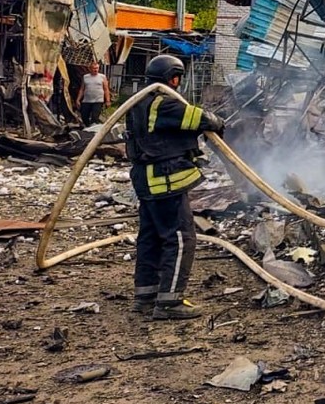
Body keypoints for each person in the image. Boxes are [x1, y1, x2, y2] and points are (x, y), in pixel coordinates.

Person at [126, 54, 225, 320]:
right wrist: (217, 121)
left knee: (150, 238)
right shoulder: (163, 103)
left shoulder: (138, 102)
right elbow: (201, 119)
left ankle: (145, 295)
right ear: (173, 77)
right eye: (178, 78)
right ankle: (169, 302)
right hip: (165, 181)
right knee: (181, 238)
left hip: (146, 181)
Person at [76, 61, 111, 127]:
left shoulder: (102, 77)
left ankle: (93, 129)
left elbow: (106, 89)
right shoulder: (85, 77)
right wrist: (78, 99)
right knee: (84, 116)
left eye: (97, 68)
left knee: (95, 118)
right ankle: (87, 127)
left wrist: (108, 100)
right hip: (87, 100)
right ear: (90, 69)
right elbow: (82, 89)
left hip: (98, 100)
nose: (95, 70)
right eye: (94, 68)